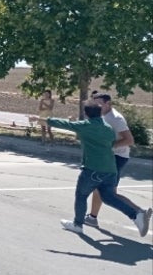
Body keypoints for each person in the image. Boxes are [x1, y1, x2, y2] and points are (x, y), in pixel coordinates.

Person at [32, 102, 151, 236]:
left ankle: (77, 224)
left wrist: (40, 119)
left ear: (86, 114)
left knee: (82, 195)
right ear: (100, 113)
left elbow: (64, 124)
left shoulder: (85, 126)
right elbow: (111, 142)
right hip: (110, 169)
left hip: (93, 169)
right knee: (108, 197)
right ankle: (136, 215)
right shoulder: (108, 128)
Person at [84, 93, 147, 228]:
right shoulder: (102, 115)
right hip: (109, 158)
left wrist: (110, 147)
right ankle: (92, 217)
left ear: (108, 103)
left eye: (99, 104)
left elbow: (129, 140)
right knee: (102, 190)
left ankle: (138, 213)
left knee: (106, 193)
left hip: (117, 158)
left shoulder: (116, 118)